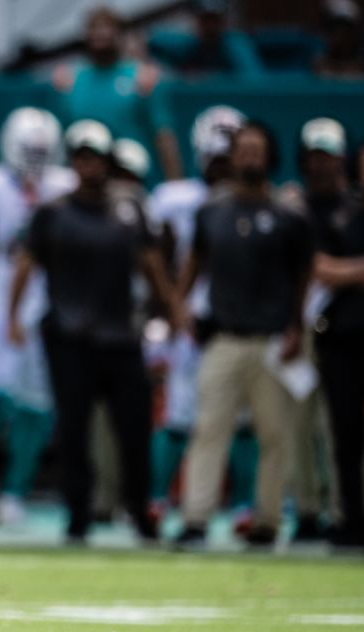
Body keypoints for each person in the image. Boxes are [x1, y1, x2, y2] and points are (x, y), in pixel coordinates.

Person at [8, 120, 182, 544]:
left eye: (96, 157)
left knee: (134, 430)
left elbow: (153, 265)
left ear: (107, 161)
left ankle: (140, 512)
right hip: (69, 338)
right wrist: (12, 316)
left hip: (122, 336)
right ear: (73, 161)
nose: (89, 165)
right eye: (82, 157)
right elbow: (26, 265)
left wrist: (173, 311)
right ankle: (79, 516)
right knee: (73, 430)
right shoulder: (53, 211)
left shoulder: (130, 206)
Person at [175, 122, 315, 549]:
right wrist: (179, 309)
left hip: (272, 339)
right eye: (243, 149)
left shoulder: (289, 216)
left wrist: (297, 328)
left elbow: (304, 277)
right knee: (208, 428)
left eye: (258, 149)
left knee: (275, 435)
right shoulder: (211, 212)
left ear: (270, 157)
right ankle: (196, 518)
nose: (250, 157)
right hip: (224, 336)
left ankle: (267, 520)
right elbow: (193, 263)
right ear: (232, 157)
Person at [145, 105, 258, 527]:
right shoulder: (176, 200)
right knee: (178, 415)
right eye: (216, 157)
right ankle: (157, 499)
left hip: (241, 320)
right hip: (191, 319)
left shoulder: (258, 201)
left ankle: (244, 504)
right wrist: (170, 311)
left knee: (243, 420)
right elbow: (157, 259)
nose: (222, 166)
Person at [0, 107, 75, 526]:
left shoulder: (65, 185)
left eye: (42, 151)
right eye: (28, 149)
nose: (34, 159)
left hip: (46, 296)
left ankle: (15, 490)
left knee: (35, 402)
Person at [282, 117, 352, 541]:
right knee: (297, 424)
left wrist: (338, 272)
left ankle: (348, 510)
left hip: (347, 331)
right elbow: (309, 268)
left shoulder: (358, 208)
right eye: (314, 156)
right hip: (299, 327)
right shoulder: (292, 208)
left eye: (328, 155)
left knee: (341, 427)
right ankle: (307, 511)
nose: (321, 164)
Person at [311, 139, 364, 551]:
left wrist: (349, 271)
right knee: (346, 435)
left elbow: (340, 271)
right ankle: (352, 520)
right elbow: (323, 270)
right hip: (343, 341)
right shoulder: (339, 214)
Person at [52, 6, 182, 180]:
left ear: (119, 34)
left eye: (106, 27)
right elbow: (59, 138)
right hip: (84, 185)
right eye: (94, 27)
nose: (100, 33)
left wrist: (175, 183)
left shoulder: (142, 78)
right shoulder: (70, 80)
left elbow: (163, 135)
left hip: (134, 181)